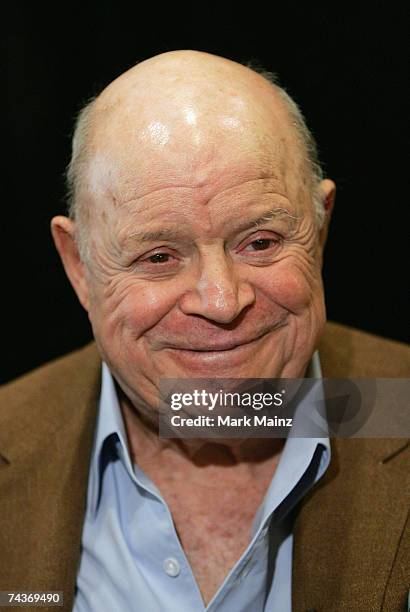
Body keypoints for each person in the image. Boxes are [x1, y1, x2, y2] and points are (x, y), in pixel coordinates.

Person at [0, 50, 408, 612]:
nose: (221, 302)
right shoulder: (10, 437)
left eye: (260, 242)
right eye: (160, 256)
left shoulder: (398, 405)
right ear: (79, 267)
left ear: (320, 227)